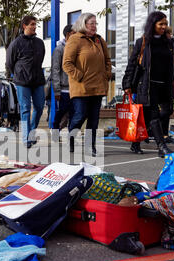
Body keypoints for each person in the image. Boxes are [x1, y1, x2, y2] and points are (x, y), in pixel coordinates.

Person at [122, 11, 174, 157]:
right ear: (153, 25)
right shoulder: (143, 42)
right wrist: (127, 84)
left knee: (152, 115)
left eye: (165, 24)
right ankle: (161, 147)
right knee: (154, 115)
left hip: (164, 86)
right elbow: (132, 63)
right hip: (147, 85)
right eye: (160, 24)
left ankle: (135, 143)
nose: (164, 27)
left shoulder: (168, 43)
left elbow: (173, 65)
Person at [63, 13, 112, 156]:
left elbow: (107, 60)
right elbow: (67, 63)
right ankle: (71, 137)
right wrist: (79, 76)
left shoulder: (99, 40)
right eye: (92, 23)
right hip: (81, 86)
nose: (94, 26)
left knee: (94, 118)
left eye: (96, 23)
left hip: (98, 86)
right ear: (83, 23)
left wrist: (107, 74)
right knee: (80, 115)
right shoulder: (75, 39)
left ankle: (90, 146)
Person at [6, 15, 46, 148]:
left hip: (38, 80)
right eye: (32, 24)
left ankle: (31, 133)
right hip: (22, 81)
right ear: (25, 26)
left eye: (35, 24)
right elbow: (10, 63)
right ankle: (26, 139)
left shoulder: (40, 43)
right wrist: (19, 73)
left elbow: (40, 60)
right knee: (25, 109)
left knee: (40, 107)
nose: (35, 27)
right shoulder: (16, 43)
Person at [50, 24, 75, 142]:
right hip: (64, 88)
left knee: (74, 114)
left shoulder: (76, 48)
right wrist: (57, 89)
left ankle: (71, 137)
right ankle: (55, 131)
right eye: (75, 33)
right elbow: (55, 70)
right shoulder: (59, 50)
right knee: (61, 112)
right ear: (69, 34)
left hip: (75, 88)